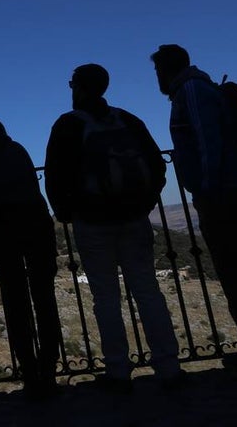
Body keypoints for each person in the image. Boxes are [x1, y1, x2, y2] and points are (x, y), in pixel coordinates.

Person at [150, 44, 237, 379]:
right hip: (226, 191)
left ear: (165, 69)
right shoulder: (198, 88)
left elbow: (208, 140)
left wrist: (208, 187)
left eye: (157, 71)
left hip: (221, 194)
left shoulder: (192, 91)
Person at [44, 64, 182, 392]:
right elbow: (156, 165)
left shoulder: (67, 125)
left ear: (78, 87)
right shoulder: (128, 120)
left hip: (92, 222)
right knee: (147, 291)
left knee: (105, 297)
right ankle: (168, 366)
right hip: (133, 218)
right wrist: (144, 203)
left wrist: (67, 213)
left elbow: (55, 176)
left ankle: (118, 370)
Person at [0, 113, 62, 400]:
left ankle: (29, 373)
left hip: (2, 229)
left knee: (15, 301)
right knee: (45, 298)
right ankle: (49, 370)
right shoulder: (17, 148)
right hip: (37, 224)